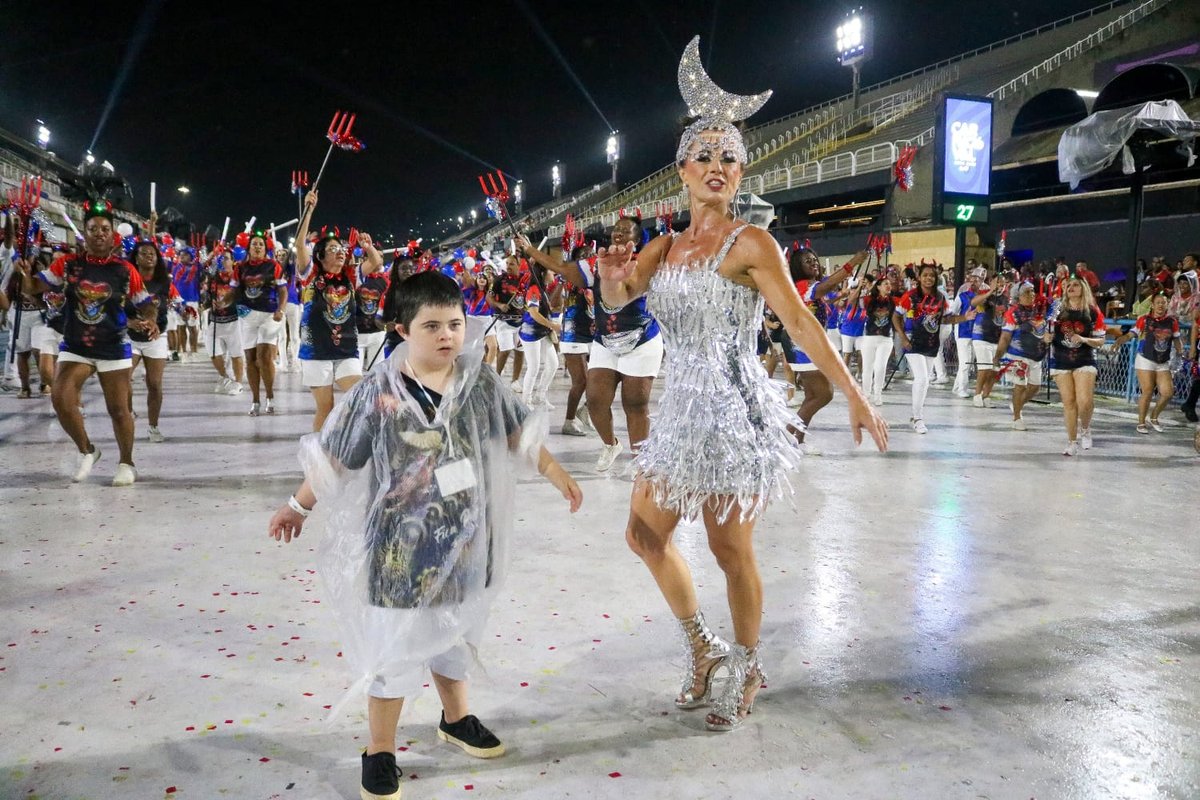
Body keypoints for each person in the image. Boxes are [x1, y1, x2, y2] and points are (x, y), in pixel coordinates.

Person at [595, 46, 888, 733]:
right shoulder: (663, 249)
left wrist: (852, 391)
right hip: (677, 418)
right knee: (643, 533)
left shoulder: (753, 242)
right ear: (682, 171)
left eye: (729, 157)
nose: (719, 166)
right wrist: (609, 277)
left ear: (740, 172)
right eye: (706, 155)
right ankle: (703, 647)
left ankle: (748, 662)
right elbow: (618, 300)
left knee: (731, 552)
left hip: (731, 414)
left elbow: (800, 320)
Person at [266, 270, 581, 800]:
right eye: (431, 325)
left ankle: (455, 719)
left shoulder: (480, 382)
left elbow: (518, 433)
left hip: (466, 539)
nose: (447, 336)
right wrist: (298, 506)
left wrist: (557, 474)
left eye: (455, 324)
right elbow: (337, 458)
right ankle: (381, 749)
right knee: (395, 647)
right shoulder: (378, 391)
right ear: (401, 329)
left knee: (455, 632)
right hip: (398, 548)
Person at [12, 199, 158, 486]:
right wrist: (25, 276)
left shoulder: (125, 270)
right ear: (85, 232)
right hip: (75, 345)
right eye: (93, 229)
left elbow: (147, 304)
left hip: (113, 346)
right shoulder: (67, 264)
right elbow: (33, 288)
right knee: (60, 398)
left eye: (105, 229)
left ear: (113, 235)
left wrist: (151, 319)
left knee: (118, 410)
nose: (99, 233)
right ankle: (87, 450)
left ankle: (127, 462)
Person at [519, 217, 664, 472]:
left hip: (641, 342)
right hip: (605, 342)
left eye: (625, 231)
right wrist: (530, 250)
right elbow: (563, 268)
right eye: (616, 230)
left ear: (638, 239)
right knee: (596, 401)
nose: (618, 233)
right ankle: (611, 444)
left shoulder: (645, 264)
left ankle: (641, 461)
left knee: (635, 405)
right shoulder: (596, 264)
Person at [294, 191, 379, 431]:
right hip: (315, 349)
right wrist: (309, 210)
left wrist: (368, 247)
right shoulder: (310, 274)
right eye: (332, 249)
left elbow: (376, 263)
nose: (340, 251)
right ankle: (319, 456)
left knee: (360, 396)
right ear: (319, 256)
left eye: (341, 248)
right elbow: (300, 244)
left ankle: (343, 438)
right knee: (326, 407)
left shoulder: (351, 276)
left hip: (346, 349)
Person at [780, 246, 865, 452]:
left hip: (806, 341)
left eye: (814, 259)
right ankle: (785, 435)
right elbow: (826, 286)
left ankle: (797, 441)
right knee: (824, 394)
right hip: (801, 342)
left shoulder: (809, 286)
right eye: (807, 261)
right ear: (798, 267)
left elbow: (825, 297)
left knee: (812, 395)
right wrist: (852, 262)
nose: (813, 263)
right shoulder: (803, 285)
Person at [893, 264, 975, 433]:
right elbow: (896, 316)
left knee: (925, 382)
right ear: (919, 277)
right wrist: (903, 337)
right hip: (912, 342)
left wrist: (964, 318)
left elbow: (945, 319)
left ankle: (916, 414)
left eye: (932, 275)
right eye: (925, 275)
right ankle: (918, 418)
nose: (928, 278)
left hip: (931, 343)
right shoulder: (910, 296)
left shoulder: (941, 298)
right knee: (922, 379)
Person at [127, 239, 180, 442]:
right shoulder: (126, 279)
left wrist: (153, 322)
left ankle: (153, 426)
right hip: (129, 336)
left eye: (153, 254)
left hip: (156, 336)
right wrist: (130, 323)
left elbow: (162, 307)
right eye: (144, 253)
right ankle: (128, 412)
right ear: (136, 258)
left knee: (155, 384)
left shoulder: (164, 282)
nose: (149, 256)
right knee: (124, 380)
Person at [1047, 276, 1106, 455]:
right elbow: (1045, 329)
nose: (1071, 287)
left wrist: (1083, 339)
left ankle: (1086, 428)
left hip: (1084, 359)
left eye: (1075, 285)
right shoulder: (1057, 308)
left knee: (1085, 401)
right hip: (1060, 359)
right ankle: (1072, 442)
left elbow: (1101, 341)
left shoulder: (1092, 311)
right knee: (1069, 402)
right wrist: (1045, 337)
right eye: (1068, 285)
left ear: (1083, 288)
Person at [236, 228, 288, 416]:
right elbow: (234, 291)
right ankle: (255, 400)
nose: (257, 246)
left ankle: (270, 396)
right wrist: (222, 302)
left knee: (264, 357)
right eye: (254, 244)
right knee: (250, 359)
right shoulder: (240, 268)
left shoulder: (273, 265)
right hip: (247, 315)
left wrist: (280, 309)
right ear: (248, 248)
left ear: (265, 248)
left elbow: (283, 290)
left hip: (269, 314)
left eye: (260, 244)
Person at [994, 282, 1049, 431]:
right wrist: (997, 357)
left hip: (1036, 355)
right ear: (1018, 296)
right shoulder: (1012, 313)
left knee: (1035, 387)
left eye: (1032, 291)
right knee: (1020, 385)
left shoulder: (1040, 311)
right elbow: (1005, 337)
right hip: (1017, 354)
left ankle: (1016, 404)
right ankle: (1017, 418)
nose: (1031, 295)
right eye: (1027, 292)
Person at [1132, 293, 1183, 434]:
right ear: (1152, 305)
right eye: (1158, 302)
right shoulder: (1144, 319)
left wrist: (1180, 349)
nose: (1161, 305)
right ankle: (1141, 422)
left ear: (1167, 305)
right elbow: (1133, 333)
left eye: (1164, 302)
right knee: (1147, 391)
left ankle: (1153, 417)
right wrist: (1121, 339)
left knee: (1167, 392)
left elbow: (1177, 338)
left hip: (1162, 361)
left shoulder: (1172, 322)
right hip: (1145, 358)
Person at [516, 261, 560, 409]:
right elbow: (533, 313)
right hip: (531, 332)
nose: (553, 274)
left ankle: (540, 396)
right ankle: (525, 401)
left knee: (553, 364)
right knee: (533, 367)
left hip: (542, 332)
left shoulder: (543, 288)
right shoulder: (534, 289)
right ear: (542, 273)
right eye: (550, 271)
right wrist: (552, 325)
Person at [205, 252, 245, 395]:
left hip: (234, 320)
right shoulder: (214, 277)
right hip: (215, 321)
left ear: (233, 261)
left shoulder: (238, 277)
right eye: (220, 258)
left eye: (226, 258)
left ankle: (238, 383)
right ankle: (225, 377)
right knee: (213, 352)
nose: (223, 260)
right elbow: (208, 295)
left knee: (236, 353)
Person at [968, 272, 1010, 408]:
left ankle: (986, 395)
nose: (1000, 285)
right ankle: (977, 394)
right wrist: (990, 292)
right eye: (997, 282)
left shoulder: (1005, 299)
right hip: (981, 335)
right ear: (991, 283)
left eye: (1002, 283)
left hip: (997, 338)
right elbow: (973, 303)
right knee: (984, 368)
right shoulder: (985, 295)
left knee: (995, 370)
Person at [487, 254, 525, 387]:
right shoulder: (499, 279)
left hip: (521, 322)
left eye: (512, 264)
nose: (508, 266)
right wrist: (499, 305)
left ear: (519, 265)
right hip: (503, 322)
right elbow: (489, 298)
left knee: (520, 351)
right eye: (507, 263)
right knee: (506, 349)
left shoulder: (525, 279)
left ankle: (515, 381)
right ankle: (497, 377)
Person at [859, 275, 896, 406]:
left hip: (886, 338)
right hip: (869, 337)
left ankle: (878, 393)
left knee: (880, 367)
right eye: (885, 283)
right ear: (878, 286)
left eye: (889, 283)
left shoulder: (893, 301)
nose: (888, 286)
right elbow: (860, 301)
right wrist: (863, 287)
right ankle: (866, 393)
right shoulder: (869, 299)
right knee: (867, 367)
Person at [950, 268, 984, 399]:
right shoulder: (961, 297)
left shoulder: (982, 298)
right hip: (963, 332)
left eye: (978, 280)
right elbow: (953, 313)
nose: (975, 283)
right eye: (973, 280)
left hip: (977, 333)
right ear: (969, 282)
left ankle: (957, 386)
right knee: (965, 362)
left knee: (969, 362)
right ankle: (962, 389)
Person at [356, 253, 390, 372]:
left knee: (377, 375)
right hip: (357, 334)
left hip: (377, 333)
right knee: (354, 375)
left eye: (381, 256)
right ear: (365, 259)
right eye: (375, 255)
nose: (378, 259)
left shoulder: (385, 281)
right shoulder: (357, 278)